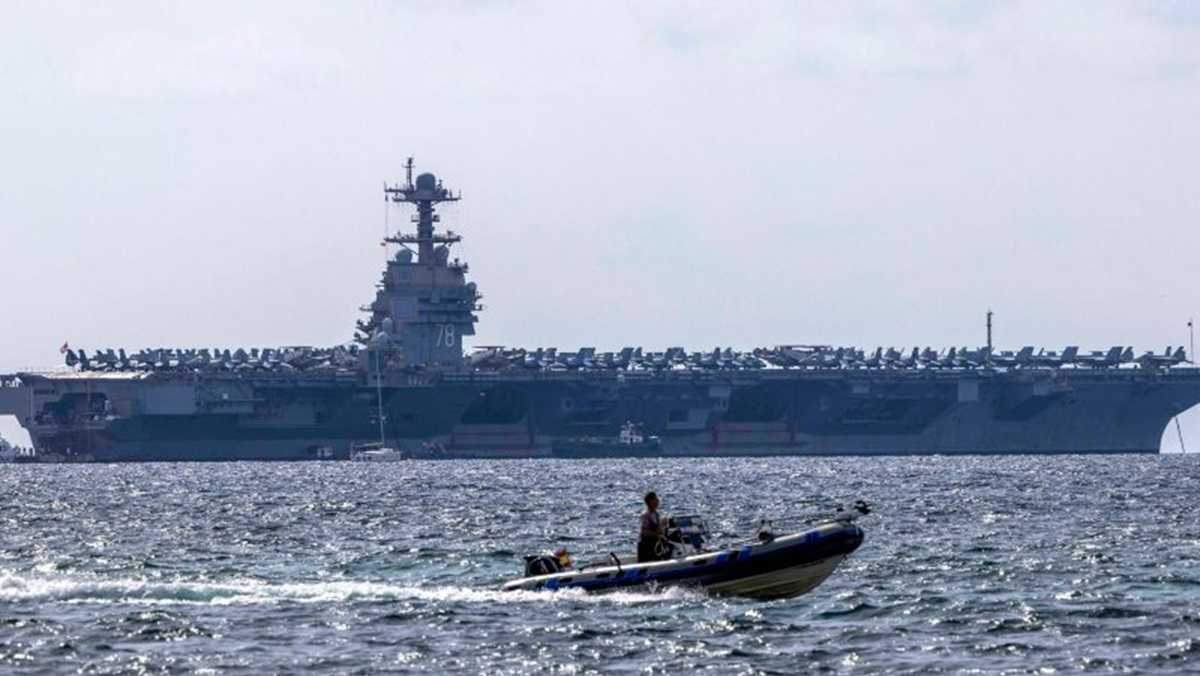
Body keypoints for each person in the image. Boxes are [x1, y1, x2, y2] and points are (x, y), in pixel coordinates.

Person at [638, 491, 668, 563]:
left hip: (655, 545)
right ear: (650, 501)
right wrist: (657, 534)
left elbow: (658, 529)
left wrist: (663, 525)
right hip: (646, 546)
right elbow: (644, 531)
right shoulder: (645, 515)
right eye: (656, 499)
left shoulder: (656, 514)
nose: (658, 501)